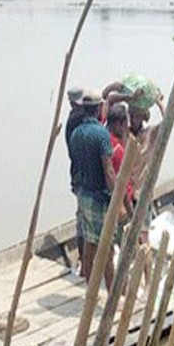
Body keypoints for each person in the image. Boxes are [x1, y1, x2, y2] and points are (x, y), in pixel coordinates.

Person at [69, 92, 130, 288]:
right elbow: (109, 171)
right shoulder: (101, 134)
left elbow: (76, 165)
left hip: (83, 194)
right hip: (99, 197)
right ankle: (113, 293)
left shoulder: (76, 133)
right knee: (107, 248)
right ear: (97, 109)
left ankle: (89, 285)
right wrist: (118, 199)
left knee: (89, 242)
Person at [64, 87, 86, 266]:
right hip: (82, 176)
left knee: (84, 217)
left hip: (80, 175)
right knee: (84, 219)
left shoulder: (77, 118)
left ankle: (85, 258)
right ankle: (84, 259)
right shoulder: (76, 119)